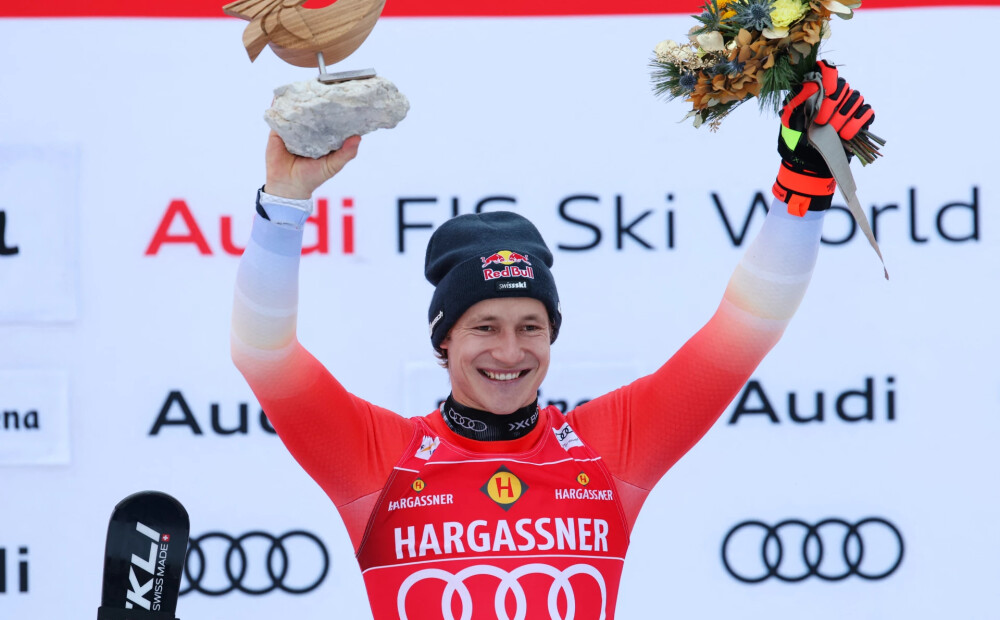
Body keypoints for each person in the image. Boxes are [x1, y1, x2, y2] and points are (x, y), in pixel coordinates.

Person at [231, 62, 873, 619]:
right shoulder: (381, 459)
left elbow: (747, 326)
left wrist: (805, 182)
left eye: (530, 327)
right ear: (444, 339)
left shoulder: (607, 450)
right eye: (485, 327)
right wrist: (283, 204)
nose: (510, 353)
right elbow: (262, 354)